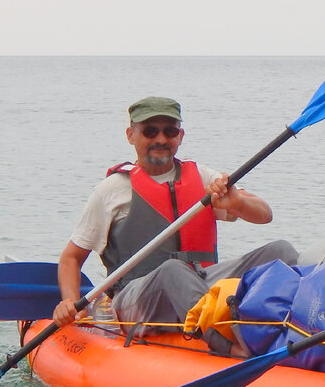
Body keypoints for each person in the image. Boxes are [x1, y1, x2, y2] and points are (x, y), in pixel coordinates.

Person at [53, 96, 298, 334]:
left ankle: (297, 326)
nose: (161, 139)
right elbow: (71, 258)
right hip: (136, 297)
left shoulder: (202, 177)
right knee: (174, 270)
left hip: (201, 282)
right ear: (131, 135)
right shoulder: (111, 191)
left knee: (280, 251)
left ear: (180, 136)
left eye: (169, 131)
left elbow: (264, 215)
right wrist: (70, 301)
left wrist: (237, 202)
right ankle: (224, 340)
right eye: (150, 131)